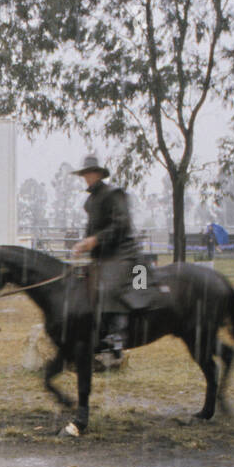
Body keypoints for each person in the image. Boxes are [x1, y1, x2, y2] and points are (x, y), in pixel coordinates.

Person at [71, 154, 146, 360]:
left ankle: (117, 336)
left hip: (124, 252)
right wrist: (83, 244)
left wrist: (95, 240)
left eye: (90, 172)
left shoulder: (114, 194)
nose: (87, 177)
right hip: (104, 255)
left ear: (99, 173)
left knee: (108, 284)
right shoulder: (91, 201)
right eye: (84, 173)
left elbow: (121, 224)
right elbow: (92, 229)